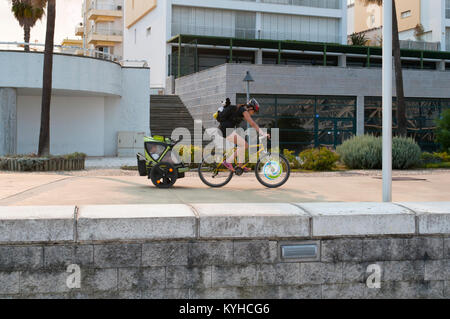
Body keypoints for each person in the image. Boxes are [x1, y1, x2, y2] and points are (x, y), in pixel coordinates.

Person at [218, 98, 270, 171]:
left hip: (227, 129)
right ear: (250, 108)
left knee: (243, 145)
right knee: (245, 145)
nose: (254, 113)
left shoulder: (242, 110)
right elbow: (252, 123)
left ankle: (240, 166)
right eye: (254, 111)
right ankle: (227, 161)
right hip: (225, 130)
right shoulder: (244, 111)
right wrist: (263, 133)